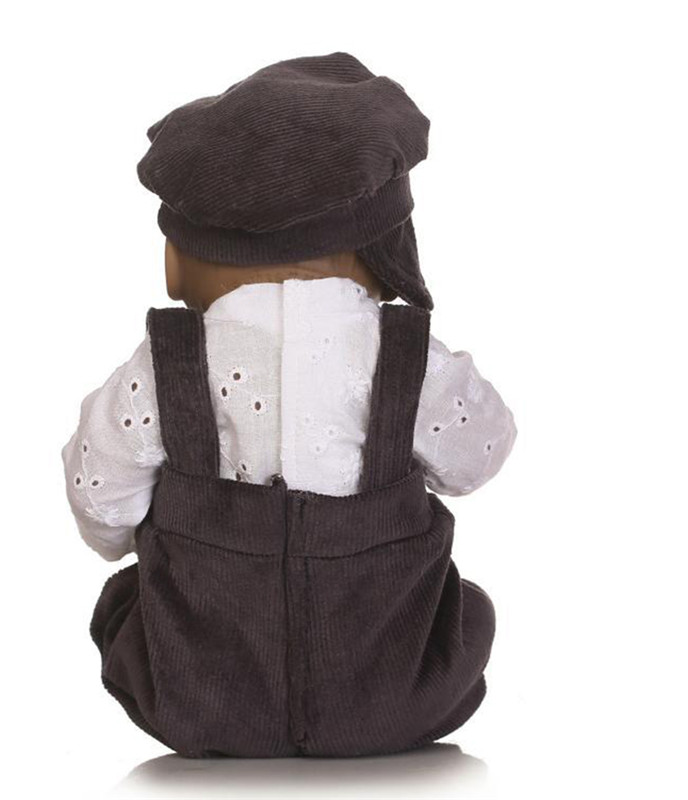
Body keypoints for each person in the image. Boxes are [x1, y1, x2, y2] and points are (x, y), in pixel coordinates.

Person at [63, 52, 517, 758]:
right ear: (386, 249)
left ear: (179, 259)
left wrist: (121, 543)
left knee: (124, 606)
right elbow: (480, 453)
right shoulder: (407, 357)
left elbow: (98, 487)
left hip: (198, 696)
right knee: (466, 611)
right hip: (392, 692)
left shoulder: (166, 362)